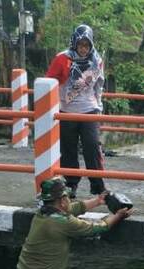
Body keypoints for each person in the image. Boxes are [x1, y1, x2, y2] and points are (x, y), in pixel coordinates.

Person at [46, 24, 106, 199]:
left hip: (89, 109)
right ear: (74, 43)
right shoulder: (62, 59)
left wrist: (99, 107)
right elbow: (49, 82)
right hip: (66, 110)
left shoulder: (97, 61)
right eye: (80, 45)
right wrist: (54, 105)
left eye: (87, 45)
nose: (83, 48)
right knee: (68, 148)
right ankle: (71, 183)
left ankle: (97, 184)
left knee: (92, 145)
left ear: (91, 45)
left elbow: (99, 86)